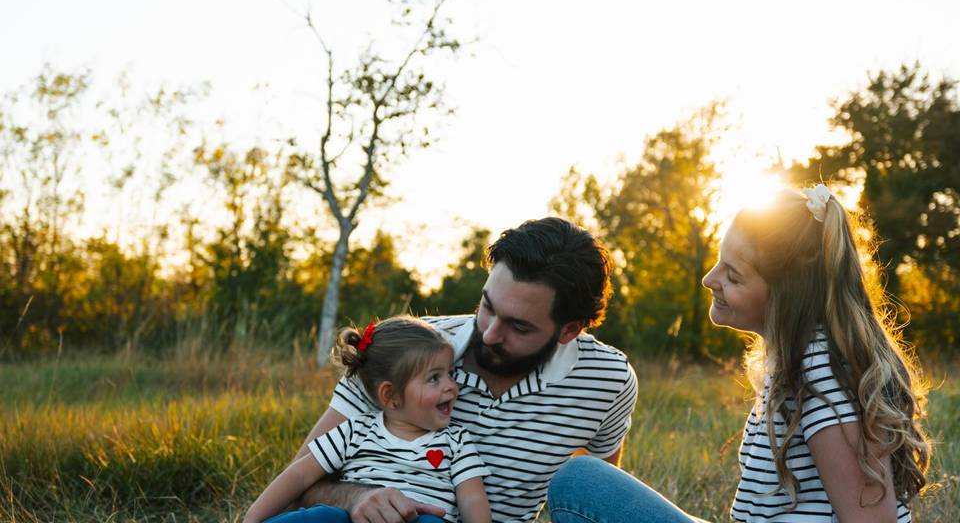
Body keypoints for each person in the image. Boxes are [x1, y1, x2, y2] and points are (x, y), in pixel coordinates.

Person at [547, 185, 931, 522]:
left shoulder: (821, 377)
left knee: (581, 482)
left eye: (733, 275)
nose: (709, 279)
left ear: (786, 295)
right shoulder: (802, 363)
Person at [294, 217, 639, 523]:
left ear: (568, 330)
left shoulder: (607, 381)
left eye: (518, 327)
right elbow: (301, 481)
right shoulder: (400, 352)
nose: (488, 333)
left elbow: (596, 498)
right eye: (487, 305)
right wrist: (356, 498)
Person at [244, 316, 491, 523]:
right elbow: (299, 475)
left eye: (450, 373)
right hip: (357, 518)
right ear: (390, 395)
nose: (451, 386)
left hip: (420, 518)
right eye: (434, 378)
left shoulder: (455, 440)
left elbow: (472, 498)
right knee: (323, 516)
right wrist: (253, 518)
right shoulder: (356, 430)